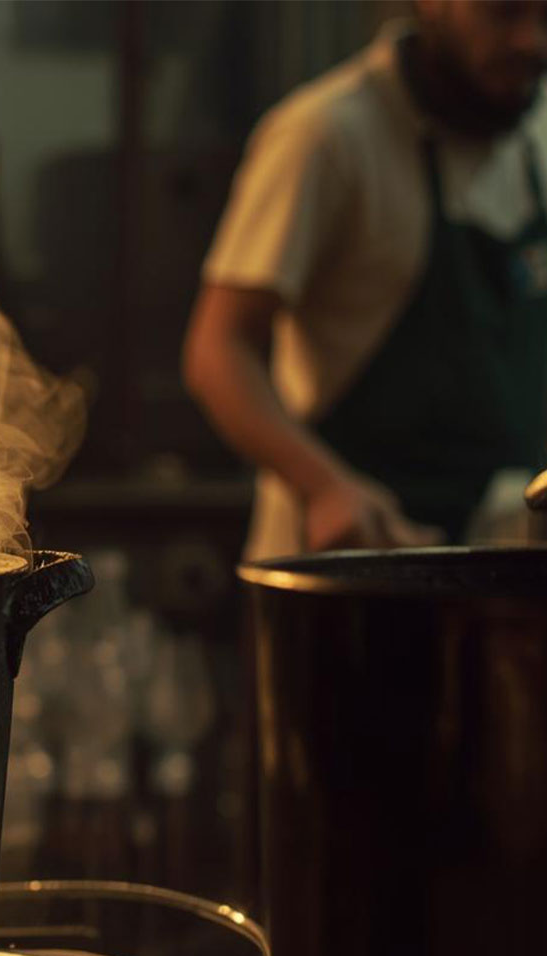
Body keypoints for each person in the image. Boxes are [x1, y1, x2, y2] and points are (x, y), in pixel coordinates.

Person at [184, 0, 547, 558]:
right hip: (351, 569)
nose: (531, 41)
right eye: (504, 12)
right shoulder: (327, 134)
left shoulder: (537, 135)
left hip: (503, 568)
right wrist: (326, 487)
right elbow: (219, 350)